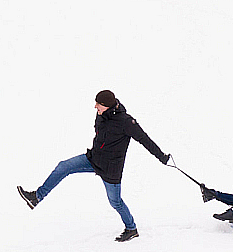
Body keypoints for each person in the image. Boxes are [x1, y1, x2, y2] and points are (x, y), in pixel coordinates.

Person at [17, 90, 170, 242]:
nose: (95, 106)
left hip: (111, 169)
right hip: (93, 159)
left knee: (115, 202)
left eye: (98, 104)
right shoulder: (102, 114)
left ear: (107, 106)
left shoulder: (126, 122)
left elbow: (145, 140)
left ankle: (131, 228)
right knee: (63, 167)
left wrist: (162, 157)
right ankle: (36, 197)